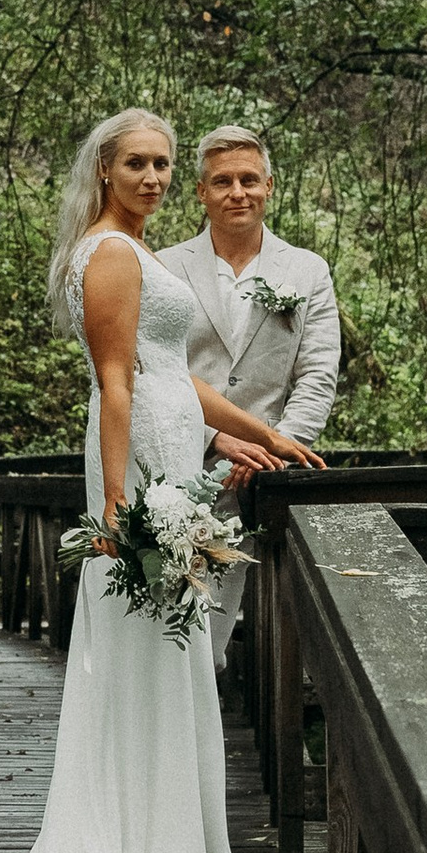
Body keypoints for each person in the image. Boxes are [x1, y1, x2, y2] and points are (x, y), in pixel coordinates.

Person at [0, 109, 322, 853]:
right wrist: (116, 505)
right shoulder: (108, 253)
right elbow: (117, 383)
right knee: (149, 641)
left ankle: (185, 846)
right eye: (137, 163)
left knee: (172, 649)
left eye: (164, 165)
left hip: (177, 447)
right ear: (105, 169)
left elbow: (174, 373)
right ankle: (147, 849)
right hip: (141, 460)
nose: (153, 178)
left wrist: (265, 432)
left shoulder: (134, 250)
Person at [157, 123, 339, 669]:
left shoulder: (307, 270)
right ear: (200, 192)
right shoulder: (164, 267)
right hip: (175, 466)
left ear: (270, 186)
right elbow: (154, 368)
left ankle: (213, 737)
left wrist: (275, 448)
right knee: (168, 630)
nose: (237, 192)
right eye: (222, 181)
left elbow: (317, 374)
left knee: (221, 643)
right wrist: (216, 436)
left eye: (249, 180)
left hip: (259, 483)